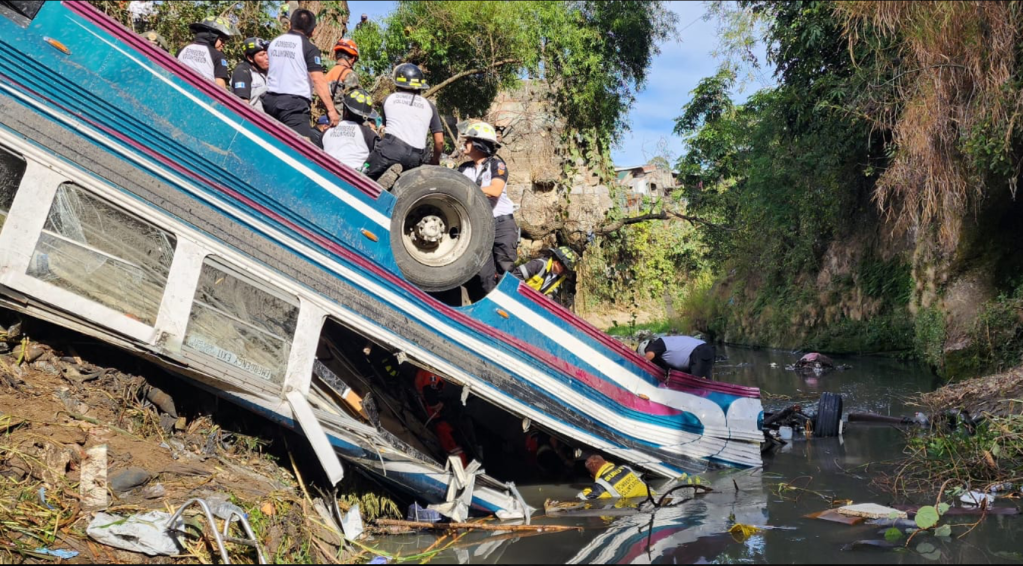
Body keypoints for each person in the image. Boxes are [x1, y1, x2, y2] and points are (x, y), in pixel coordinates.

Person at [263, 8, 340, 147]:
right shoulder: (309, 48)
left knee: (271, 144)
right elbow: (317, 79)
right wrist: (331, 110)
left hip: (269, 102)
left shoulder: (274, 43)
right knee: (299, 148)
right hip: (294, 107)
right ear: (313, 31)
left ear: (290, 24)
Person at [458, 121, 517, 300]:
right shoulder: (464, 169)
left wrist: (466, 188)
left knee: (506, 271)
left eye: (468, 140)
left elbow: (495, 190)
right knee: (483, 275)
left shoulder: (496, 166)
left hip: (501, 225)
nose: (464, 144)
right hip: (479, 226)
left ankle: (509, 311)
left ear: (479, 144)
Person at [363, 63, 444, 182]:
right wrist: (435, 160)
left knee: (363, 178)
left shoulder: (389, 99)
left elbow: (385, 128)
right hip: (416, 158)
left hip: (389, 151)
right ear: (420, 87)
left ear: (398, 84)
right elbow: (439, 140)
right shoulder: (429, 106)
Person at [414, 369, 468, 467]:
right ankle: (461, 469)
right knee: (453, 444)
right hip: (438, 417)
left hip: (437, 416)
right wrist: (445, 409)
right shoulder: (431, 373)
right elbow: (431, 398)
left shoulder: (428, 372)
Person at [323, 88, 379, 171]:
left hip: (326, 173)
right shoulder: (369, 134)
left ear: (345, 109)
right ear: (366, 117)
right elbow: (377, 158)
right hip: (354, 178)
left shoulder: (327, 131)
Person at [177, 16, 237, 89]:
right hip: (202, 98)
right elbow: (220, 86)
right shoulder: (218, 56)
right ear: (213, 36)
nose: (223, 44)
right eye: (222, 40)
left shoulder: (182, 50)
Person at [638, 334, 716, 379]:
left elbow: (650, 355)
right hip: (706, 351)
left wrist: (638, 366)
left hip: (699, 352)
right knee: (706, 383)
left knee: (695, 384)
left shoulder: (658, 343)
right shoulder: (666, 358)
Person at [577, 455, 652, 500]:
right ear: (606, 462)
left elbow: (581, 498)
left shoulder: (601, 486)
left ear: (592, 476)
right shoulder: (626, 468)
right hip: (655, 499)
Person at [231, 38, 269, 111]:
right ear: (250, 58)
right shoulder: (242, 71)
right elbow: (242, 104)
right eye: (262, 55)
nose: (267, 57)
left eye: (267, 53)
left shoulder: (269, 71)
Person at [325, 38, 360, 102]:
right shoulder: (349, 74)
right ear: (353, 59)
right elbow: (355, 101)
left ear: (336, 55)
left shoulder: (328, 74)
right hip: (341, 111)